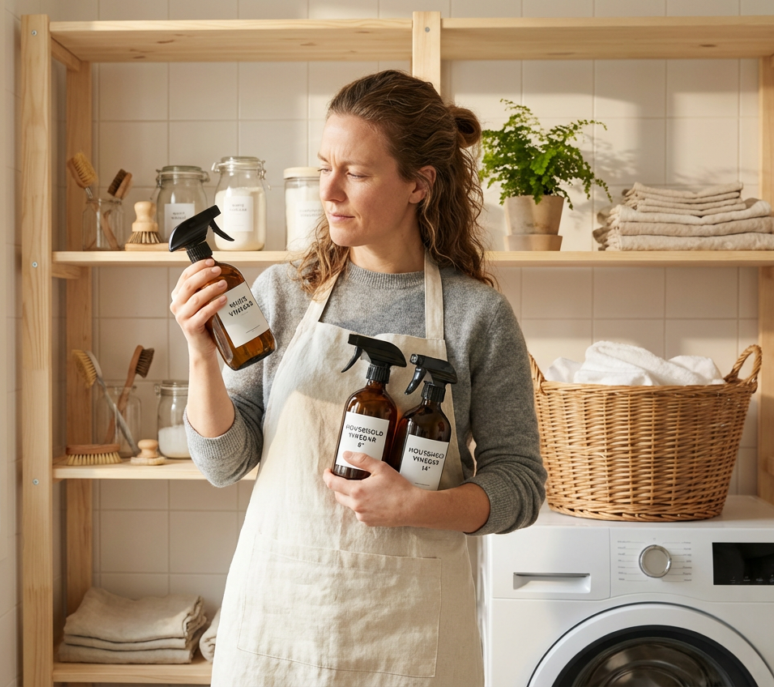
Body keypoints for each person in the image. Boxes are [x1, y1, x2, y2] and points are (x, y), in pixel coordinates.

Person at [170, 70, 546, 687]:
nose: (330, 192)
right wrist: (200, 351)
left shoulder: (477, 315)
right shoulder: (283, 294)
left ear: (419, 185)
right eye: (324, 167)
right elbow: (224, 463)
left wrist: (422, 506)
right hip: (281, 623)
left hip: (409, 636)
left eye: (358, 174)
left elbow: (520, 483)